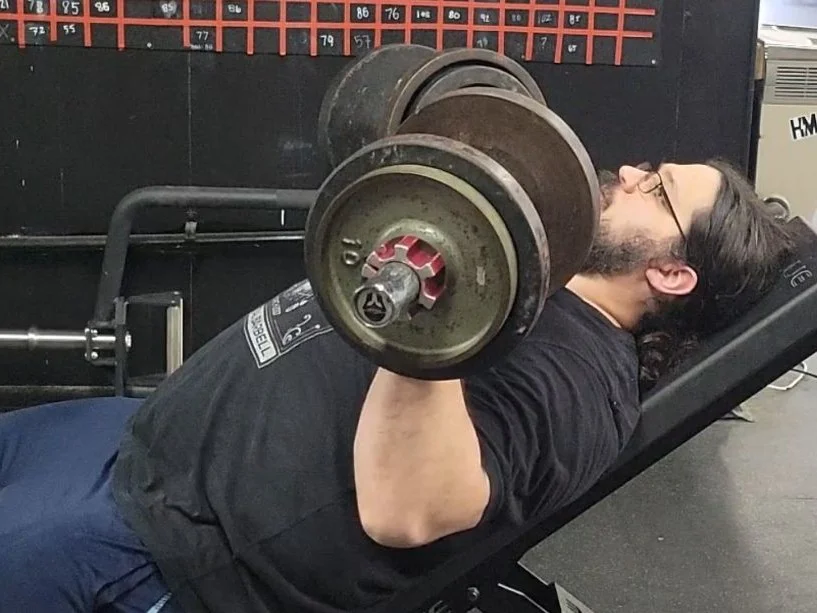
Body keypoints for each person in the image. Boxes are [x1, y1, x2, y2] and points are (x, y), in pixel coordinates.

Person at [0, 159, 793, 613]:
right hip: (130, 447)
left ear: (670, 272)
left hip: (154, 556)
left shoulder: (582, 381)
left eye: (654, 190)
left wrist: (432, 326)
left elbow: (410, 508)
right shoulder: (541, 273)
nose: (628, 171)